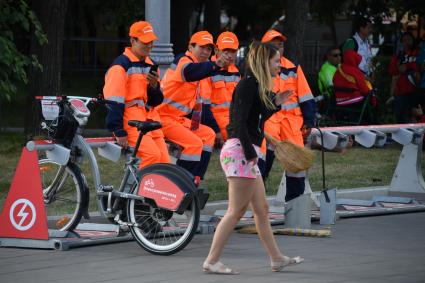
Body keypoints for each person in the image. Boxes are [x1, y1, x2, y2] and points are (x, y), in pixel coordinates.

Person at [203, 42, 303, 275]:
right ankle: (211, 260)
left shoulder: (256, 85)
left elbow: (256, 117)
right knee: (236, 211)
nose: (280, 65)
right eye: (276, 61)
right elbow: (238, 123)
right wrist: (250, 155)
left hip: (245, 152)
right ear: (264, 62)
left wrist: (276, 103)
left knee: (262, 208)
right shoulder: (248, 85)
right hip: (241, 152)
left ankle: (276, 258)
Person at [157, 31, 231, 183]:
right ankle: (179, 184)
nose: (205, 52)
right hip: (163, 118)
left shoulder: (199, 67)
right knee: (194, 143)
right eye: (202, 47)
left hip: (177, 119)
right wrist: (216, 64)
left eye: (209, 49)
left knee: (208, 134)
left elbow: (199, 106)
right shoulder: (182, 60)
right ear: (190, 46)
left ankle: (196, 180)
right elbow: (189, 72)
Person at [103, 20, 169, 168]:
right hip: (131, 120)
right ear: (133, 40)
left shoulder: (151, 64)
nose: (149, 45)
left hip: (149, 118)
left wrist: (154, 86)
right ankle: (136, 189)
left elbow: (155, 101)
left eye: (151, 42)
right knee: (152, 156)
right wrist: (118, 130)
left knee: (164, 161)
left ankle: (152, 190)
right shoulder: (120, 66)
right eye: (145, 42)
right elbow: (114, 100)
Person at [260, 29, 316, 202]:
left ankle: (295, 203)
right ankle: (257, 200)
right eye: (274, 44)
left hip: (292, 122)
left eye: (281, 44)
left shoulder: (292, 68)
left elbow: (306, 96)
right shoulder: (259, 69)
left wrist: (308, 120)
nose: (279, 47)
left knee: (297, 162)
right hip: (269, 121)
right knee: (264, 156)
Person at [206, 31, 241, 145]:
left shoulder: (235, 72)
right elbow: (203, 108)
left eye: (233, 51)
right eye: (226, 51)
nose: (230, 55)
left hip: (233, 119)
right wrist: (216, 131)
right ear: (216, 51)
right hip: (216, 122)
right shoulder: (207, 69)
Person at [333, 50, 372, 123]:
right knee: (369, 104)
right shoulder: (355, 71)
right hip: (354, 101)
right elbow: (364, 90)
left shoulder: (338, 70)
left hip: (339, 101)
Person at [388, 32, 420, 123]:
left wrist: (408, 67)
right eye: (404, 41)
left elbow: (419, 66)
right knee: (400, 117)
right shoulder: (399, 55)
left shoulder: (418, 52)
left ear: (413, 41)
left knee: (416, 116)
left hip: (416, 90)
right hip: (401, 92)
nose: (406, 43)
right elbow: (392, 71)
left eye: (409, 40)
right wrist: (398, 67)